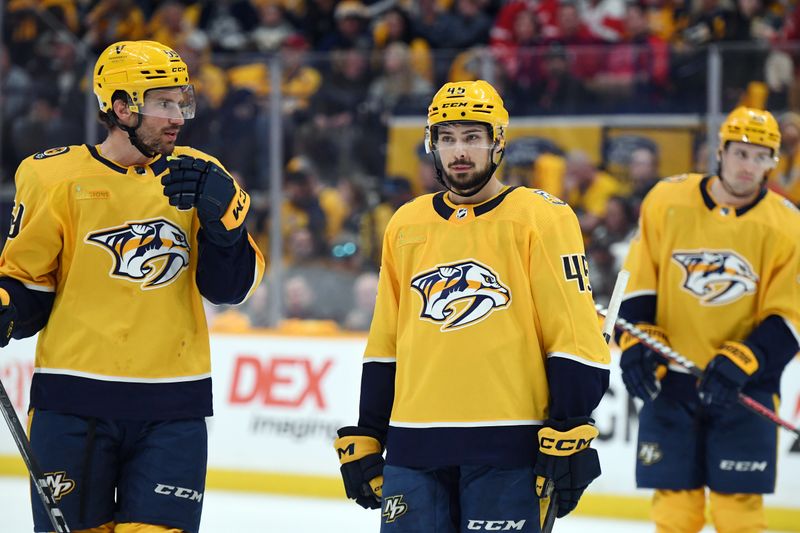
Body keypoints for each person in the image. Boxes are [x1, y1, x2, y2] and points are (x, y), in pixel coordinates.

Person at [0, 40, 266, 532]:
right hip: (72, 403)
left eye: (182, 101)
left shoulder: (200, 176)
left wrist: (225, 228)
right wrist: (6, 308)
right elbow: (29, 288)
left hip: (173, 407)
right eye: (164, 103)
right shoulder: (53, 177)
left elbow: (230, 290)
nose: (178, 116)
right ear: (121, 108)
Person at [333, 80, 610, 532]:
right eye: (447, 138)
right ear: (432, 145)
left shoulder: (540, 216)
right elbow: (386, 340)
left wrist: (569, 425)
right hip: (413, 448)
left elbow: (573, 333)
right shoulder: (406, 222)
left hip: (509, 448)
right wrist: (370, 430)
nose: (459, 151)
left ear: (497, 141)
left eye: (472, 137)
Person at [618, 106, 800, 533]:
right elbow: (639, 278)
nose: (749, 166)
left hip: (742, 386)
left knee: (739, 514)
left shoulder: (788, 224)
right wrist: (636, 343)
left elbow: (791, 315)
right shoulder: (667, 199)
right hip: (672, 379)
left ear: (775, 161)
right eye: (740, 153)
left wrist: (744, 359)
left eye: (761, 156)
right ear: (720, 152)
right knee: (674, 513)